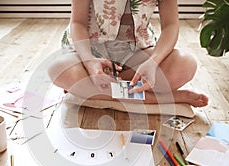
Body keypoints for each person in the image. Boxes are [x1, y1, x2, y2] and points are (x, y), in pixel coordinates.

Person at [47, 0, 209, 107]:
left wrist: (153, 62)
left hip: (137, 50)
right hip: (88, 50)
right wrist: (89, 63)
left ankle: (97, 90)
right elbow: (77, 23)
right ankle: (169, 98)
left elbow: (171, 26)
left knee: (185, 64)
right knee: (58, 70)